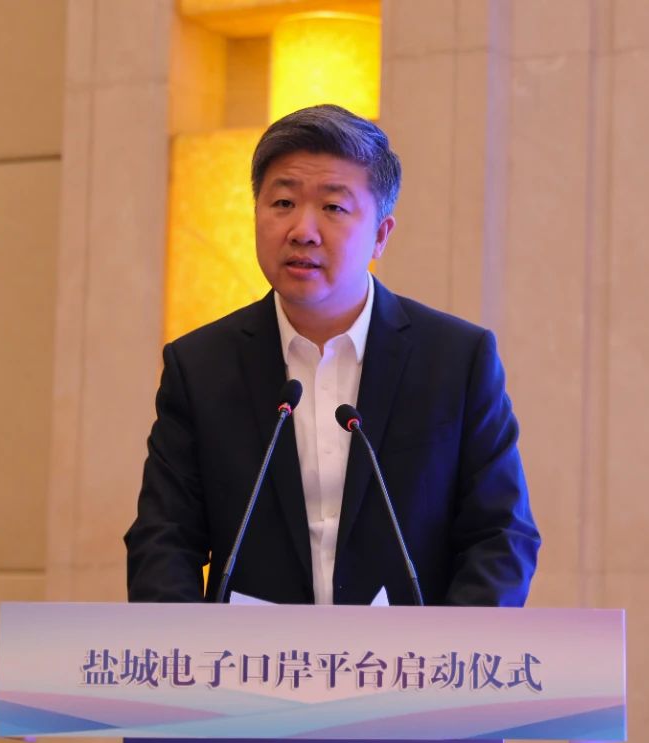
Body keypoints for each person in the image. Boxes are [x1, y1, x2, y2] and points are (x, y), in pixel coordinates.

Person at [125, 104, 540, 608]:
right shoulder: (200, 367)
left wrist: (450, 650)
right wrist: (184, 649)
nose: (302, 230)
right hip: (246, 657)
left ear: (381, 234)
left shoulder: (455, 361)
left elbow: (501, 536)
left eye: (333, 207)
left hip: (410, 656)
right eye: (282, 202)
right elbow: (163, 539)